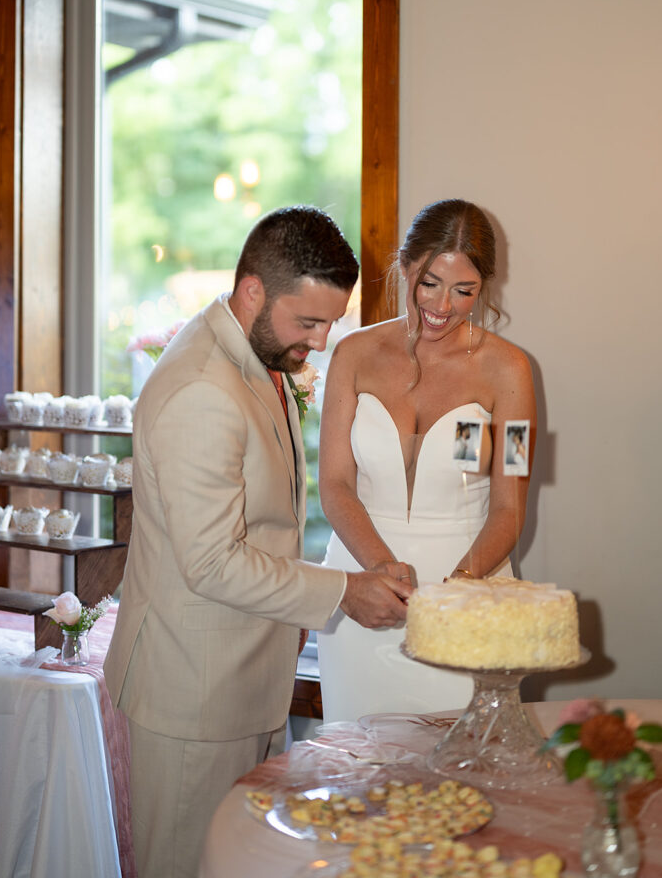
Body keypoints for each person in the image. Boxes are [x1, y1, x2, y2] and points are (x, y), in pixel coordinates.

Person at [103, 206, 412, 878]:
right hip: (193, 693)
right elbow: (211, 561)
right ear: (252, 293)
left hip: (240, 675)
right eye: (309, 322)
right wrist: (343, 594)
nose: (323, 340)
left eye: (331, 321)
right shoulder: (199, 388)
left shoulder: (252, 351)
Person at [317, 199, 536, 722]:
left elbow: (509, 507)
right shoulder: (352, 355)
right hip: (363, 595)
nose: (444, 305)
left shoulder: (510, 372)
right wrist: (377, 569)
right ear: (405, 266)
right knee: (360, 778)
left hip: (469, 599)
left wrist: (461, 587)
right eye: (430, 283)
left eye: (465, 291)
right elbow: (334, 483)